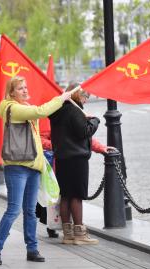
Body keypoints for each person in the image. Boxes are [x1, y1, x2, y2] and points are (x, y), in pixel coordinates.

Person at [0, 76, 73, 265]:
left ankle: (32, 249)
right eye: (20, 88)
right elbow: (41, 111)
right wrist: (61, 98)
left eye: (26, 87)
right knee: (14, 209)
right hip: (17, 166)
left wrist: (42, 164)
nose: (25, 90)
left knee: (30, 212)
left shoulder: (23, 108)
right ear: (11, 93)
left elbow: (35, 139)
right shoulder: (11, 107)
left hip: (33, 166)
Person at [49, 82, 113, 245]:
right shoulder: (74, 110)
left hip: (62, 158)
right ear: (78, 95)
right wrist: (95, 121)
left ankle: (68, 234)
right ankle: (80, 234)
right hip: (76, 159)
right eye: (85, 97)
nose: (86, 101)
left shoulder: (57, 110)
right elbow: (83, 132)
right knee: (77, 196)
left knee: (65, 196)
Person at [35, 131, 59, 238]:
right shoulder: (46, 117)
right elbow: (39, 138)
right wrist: (57, 145)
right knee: (49, 194)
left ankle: (52, 225)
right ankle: (51, 226)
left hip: (59, 158)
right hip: (50, 161)